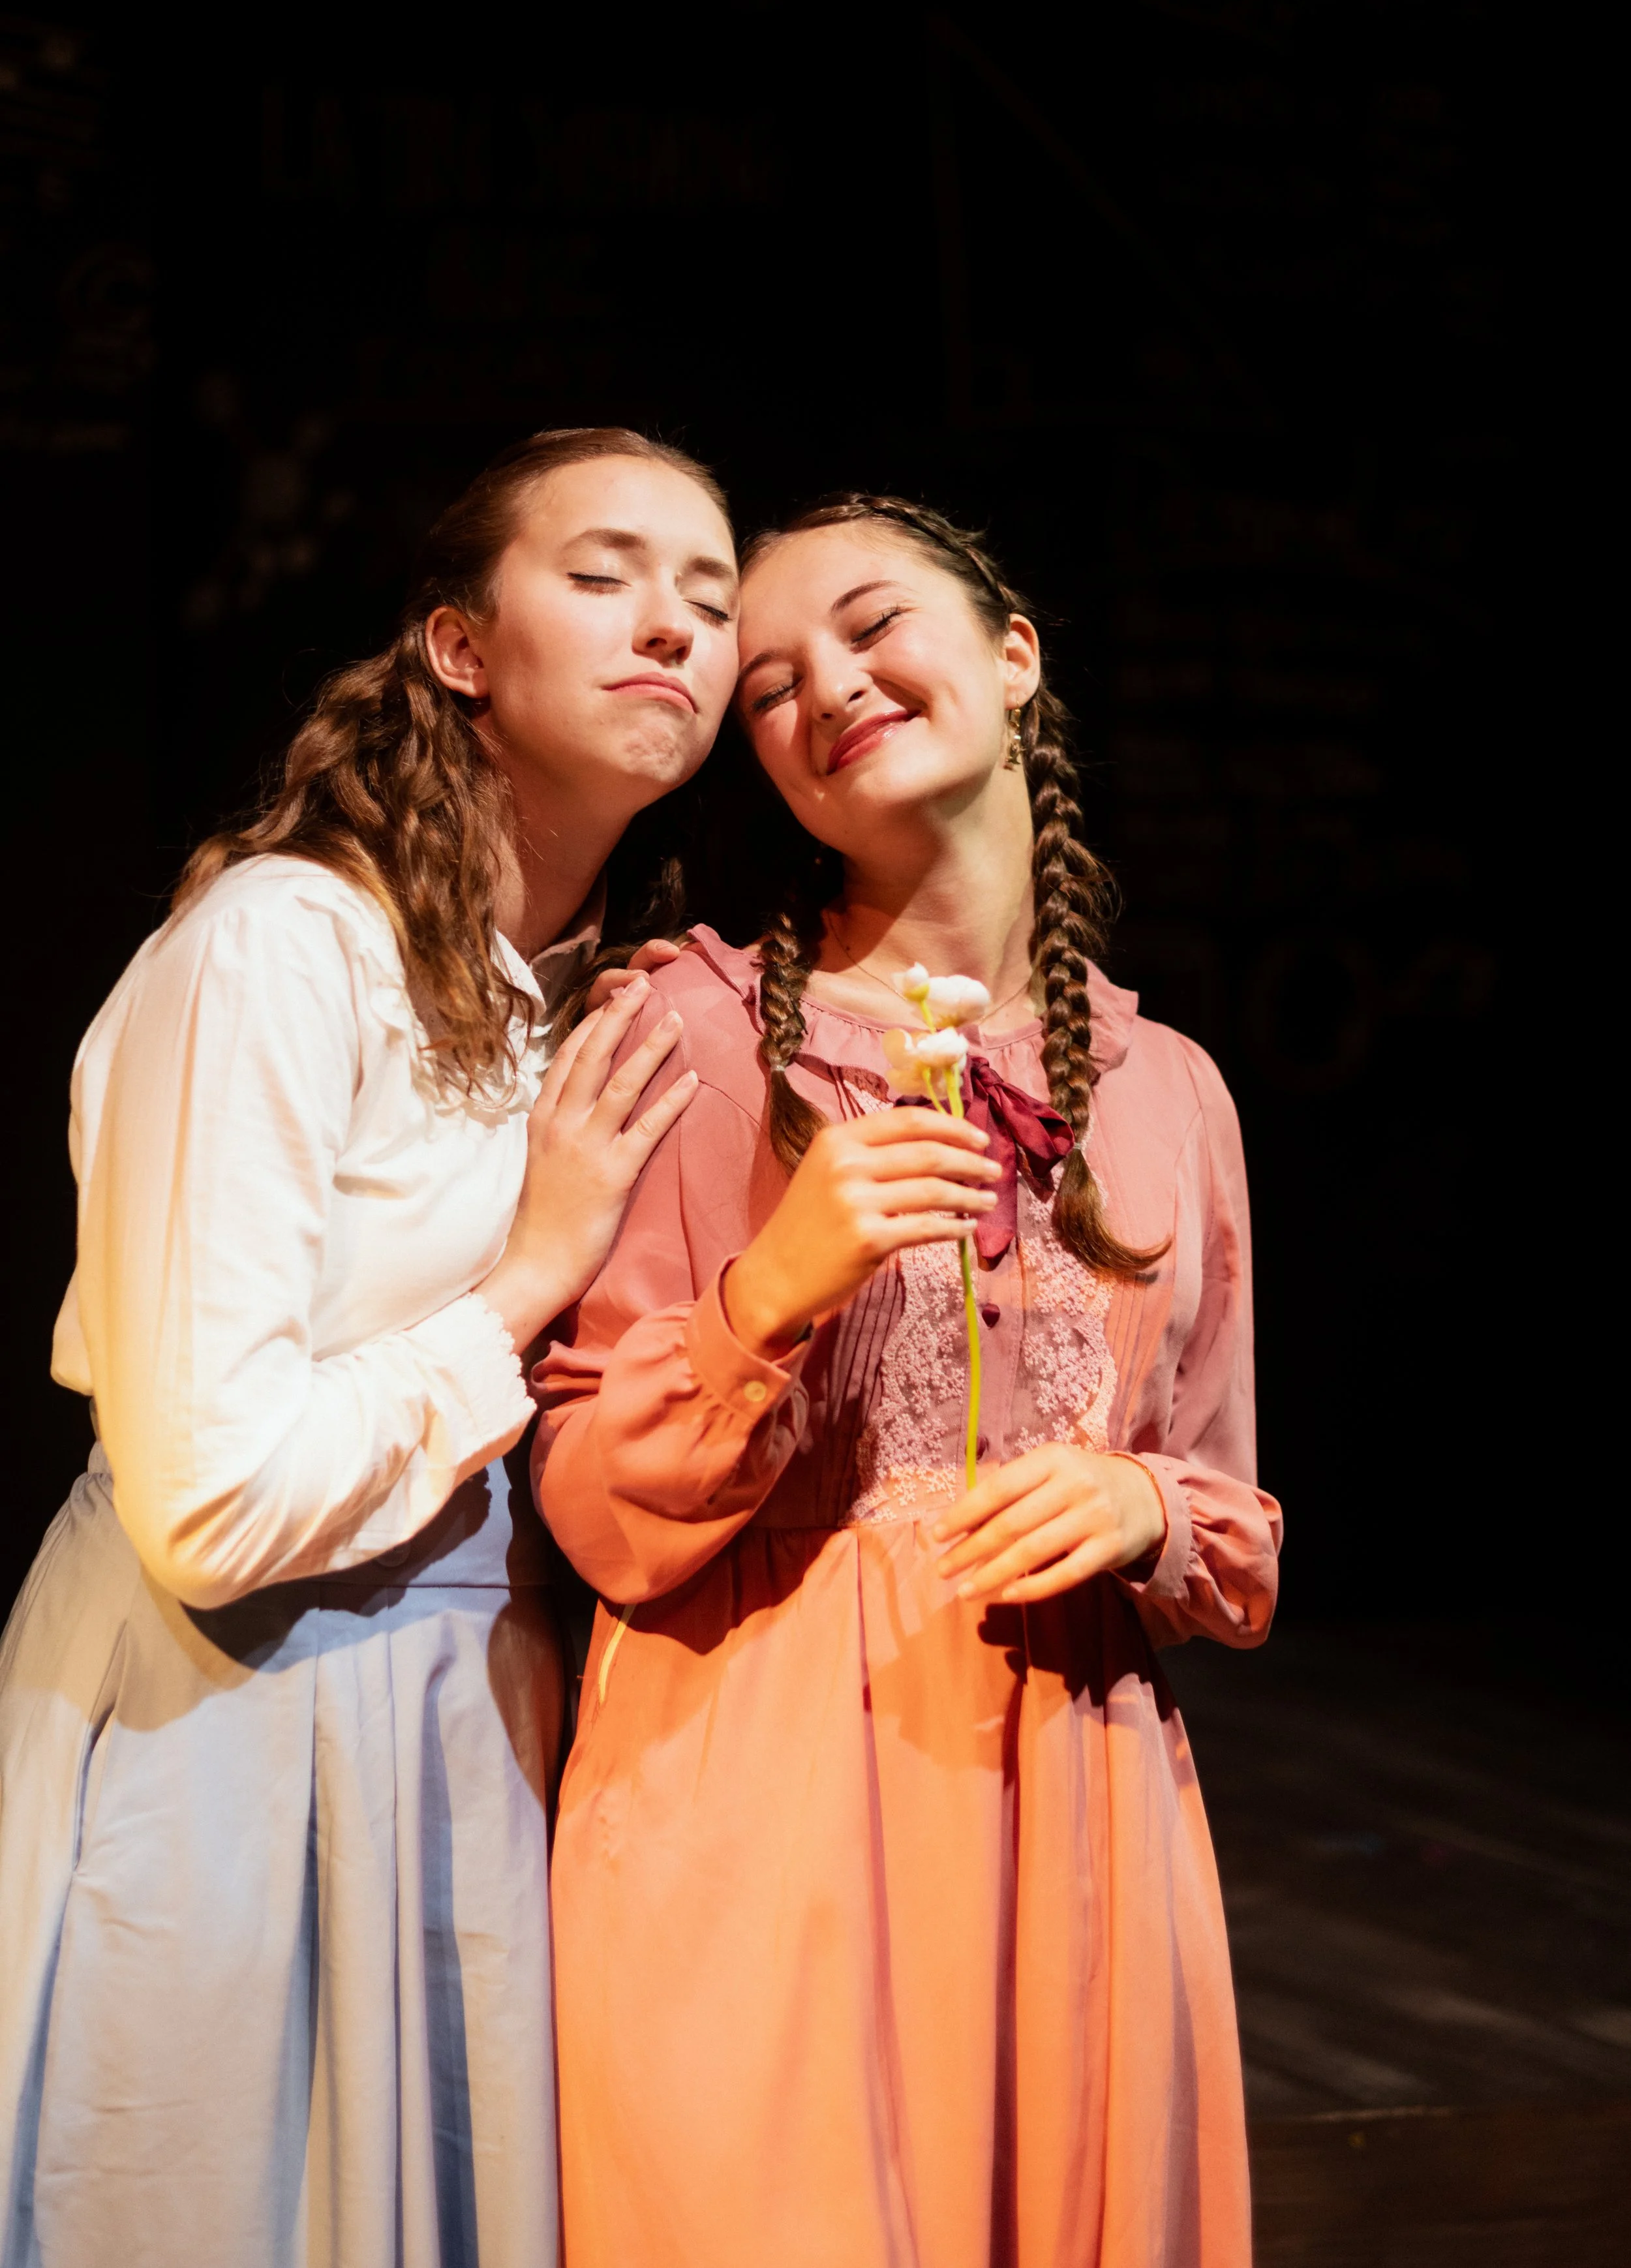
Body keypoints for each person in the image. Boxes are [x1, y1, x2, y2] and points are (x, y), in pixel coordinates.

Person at [0, 427, 739, 2268]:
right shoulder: (282, 948)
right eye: (604, 574)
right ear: (459, 646)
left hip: (467, 1707)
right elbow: (212, 1506)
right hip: (227, 1709)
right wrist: (526, 1275)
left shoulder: (599, 990)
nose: (671, 624)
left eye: (711, 597)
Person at [536, 495, 1282, 2268]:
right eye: (772, 686)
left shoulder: (1170, 1088)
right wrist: (773, 1288)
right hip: (764, 1812)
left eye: (873, 627)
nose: (830, 690)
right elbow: (589, 1508)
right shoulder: (700, 1034)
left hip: (1075, 1812)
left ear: (1013, 654)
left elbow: (1230, 1521)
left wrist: (1141, 1504)